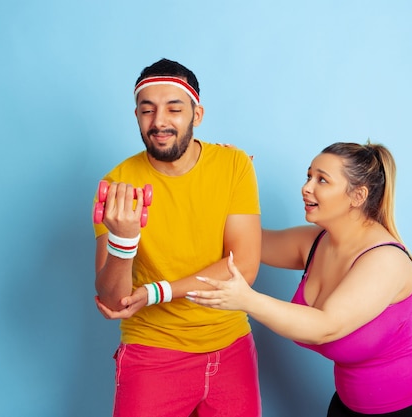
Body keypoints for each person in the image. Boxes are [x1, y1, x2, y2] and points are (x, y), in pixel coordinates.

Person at [187, 142, 412, 416]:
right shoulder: (315, 242)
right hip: (353, 405)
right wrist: (233, 183)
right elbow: (246, 242)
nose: (306, 188)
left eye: (322, 180)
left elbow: (325, 326)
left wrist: (247, 300)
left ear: (357, 196)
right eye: (308, 176)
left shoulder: (385, 261)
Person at [92, 58, 262, 417]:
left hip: (231, 347)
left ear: (196, 114)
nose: (159, 122)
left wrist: (158, 291)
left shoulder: (234, 166)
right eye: (147, 110)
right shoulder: (117, 185)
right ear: (136, 115)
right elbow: (113, 301)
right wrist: (124, 241)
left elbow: (243, 267)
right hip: (153, 355)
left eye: (174, 108)